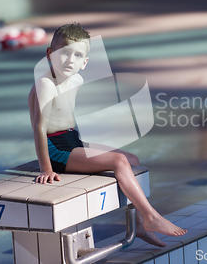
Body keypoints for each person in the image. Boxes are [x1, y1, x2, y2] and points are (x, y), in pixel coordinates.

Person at [28, 23, 187, 247]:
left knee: (132, 160)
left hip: (73, 140)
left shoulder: (77, 80)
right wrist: (46, 168)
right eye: (64, 52)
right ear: (49, 54)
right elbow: (39, 127)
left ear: (85, 63)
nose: (69, 60)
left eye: (77, 55)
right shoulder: (46, 84)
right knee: (119, 161)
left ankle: (139, 225)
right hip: (56, 150)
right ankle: (152, 217)